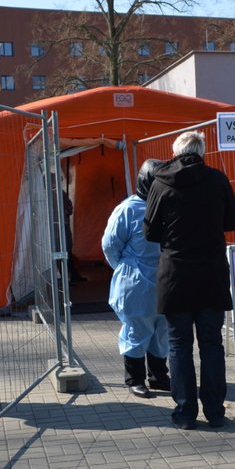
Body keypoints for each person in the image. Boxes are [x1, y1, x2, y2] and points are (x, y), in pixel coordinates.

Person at [144, 131, 235, 429]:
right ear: (202, 151)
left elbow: (150, 232)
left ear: (176, 151)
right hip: (211, 273)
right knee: (212, 344)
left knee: (179, 344)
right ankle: (215, 412)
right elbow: (232, 222)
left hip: (175, 275)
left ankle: (185, 413)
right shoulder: (218, 179)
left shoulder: (160, 182)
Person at [101, 159, 171, 399]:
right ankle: (135, 379)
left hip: (163, 278)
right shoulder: (128, 209)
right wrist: (125, 268)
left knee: (161, 330)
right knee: (137, 329)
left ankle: (159, 376)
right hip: (137, 280)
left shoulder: (167, 205)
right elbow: (110, 245)